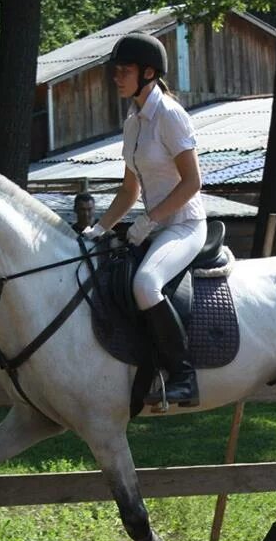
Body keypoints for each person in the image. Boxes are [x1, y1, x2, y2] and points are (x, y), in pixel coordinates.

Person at [80, 33, 207, 407]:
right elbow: (128, 191)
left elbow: (192, 182)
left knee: (146, 284)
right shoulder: (134, 120)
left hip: (184, 225)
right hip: (154, 228)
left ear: (149, 73)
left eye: (125, 71)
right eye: (116, 70)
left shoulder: (169, 114)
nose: (116, 77)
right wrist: (98, 229)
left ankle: (185, 376)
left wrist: (150, 220)